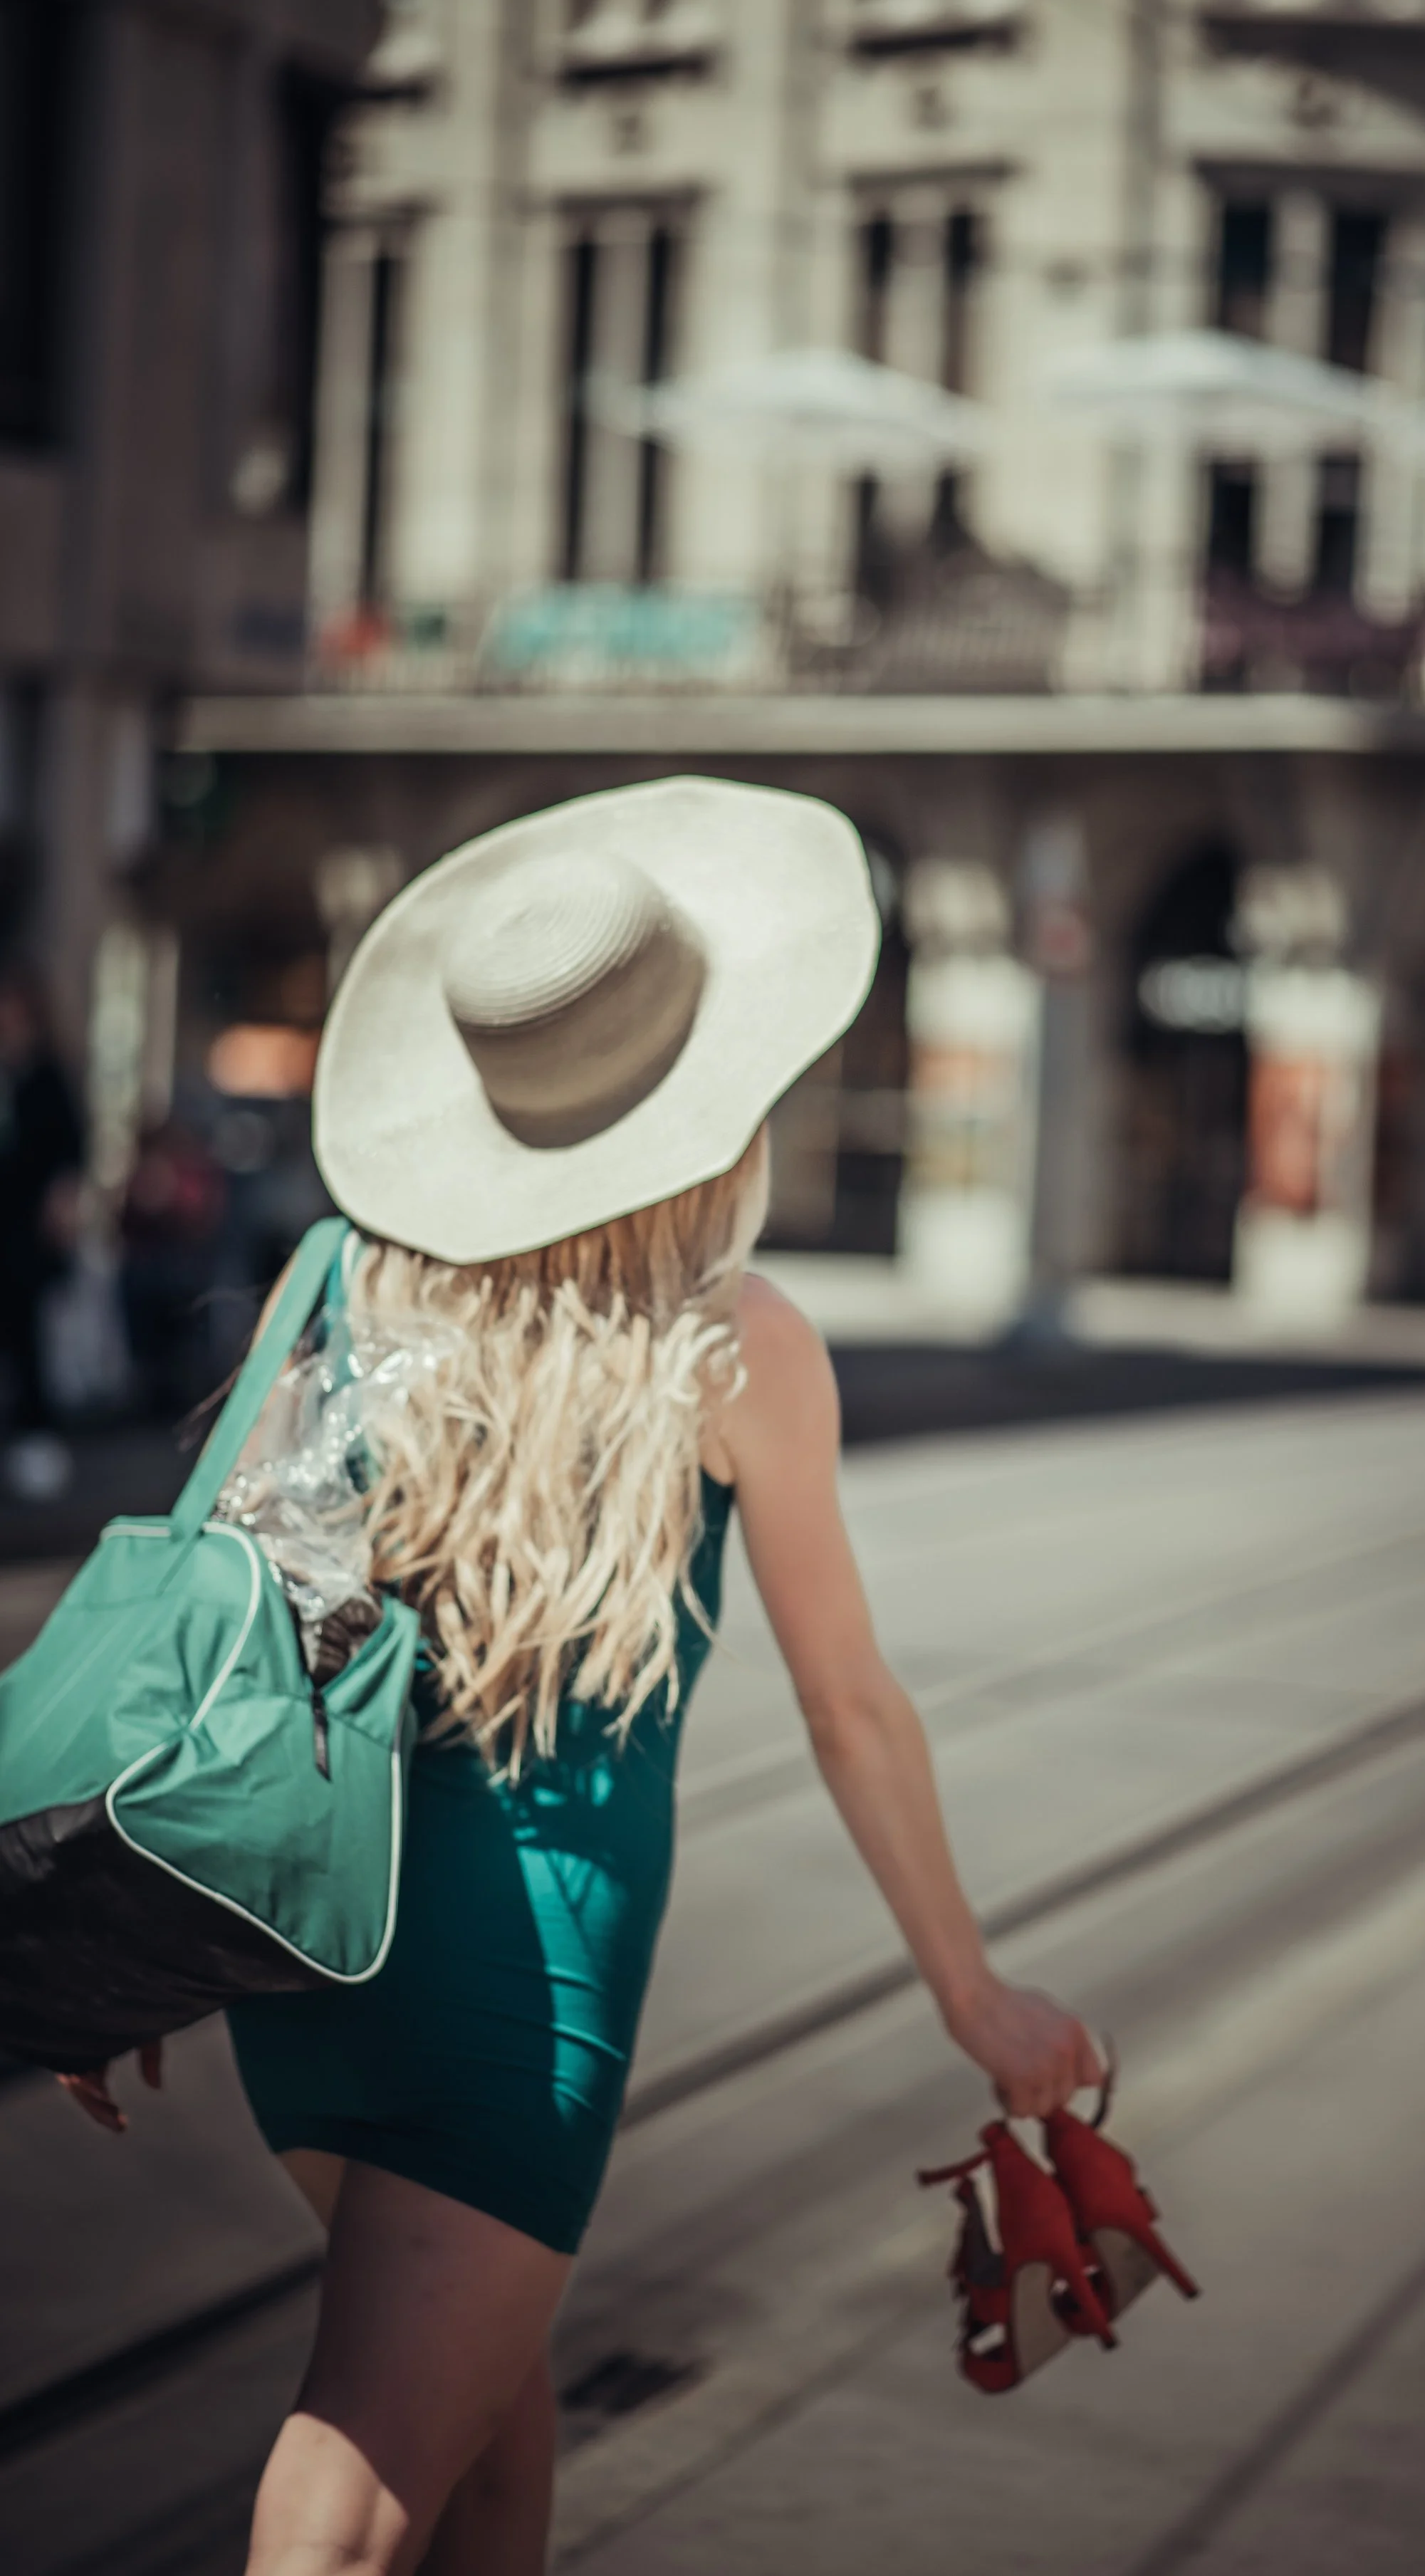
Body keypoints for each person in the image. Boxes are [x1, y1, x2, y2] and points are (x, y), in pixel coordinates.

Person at [56, 781, 1105, 2576]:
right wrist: (975, 1998)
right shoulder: (735, 1347)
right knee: (353, 2504)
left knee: (493, 2461)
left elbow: (210, 1632)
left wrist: (123, 1937)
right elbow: (850, 1706)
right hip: (515, 1994)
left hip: (311, 1965)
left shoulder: (336, 1284)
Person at [0, 966, 85, 1498]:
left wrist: (62, 1207)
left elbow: (68, 1151)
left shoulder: (46, 1076)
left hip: (24, 1233)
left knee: (27, 1336)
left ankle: (35, 1440)